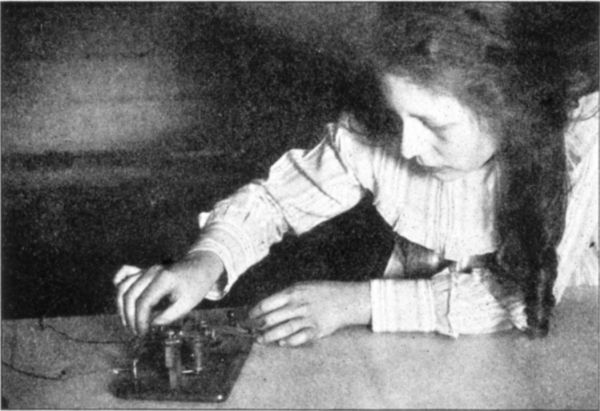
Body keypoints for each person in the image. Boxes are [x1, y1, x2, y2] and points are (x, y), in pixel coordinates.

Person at [114, 3, 598, 346]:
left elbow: (523, 301)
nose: (407, 147)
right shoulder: (387, 131)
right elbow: (277, 201)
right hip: (416, 341)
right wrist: (204, 262)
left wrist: (356, 304)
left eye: (434, 125)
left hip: (559, 333)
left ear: (508, 107)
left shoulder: (579, 139)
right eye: (398, 116)